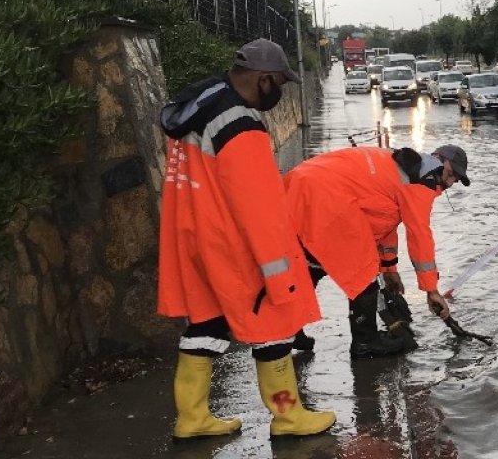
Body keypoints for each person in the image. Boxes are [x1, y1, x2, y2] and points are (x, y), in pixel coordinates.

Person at [157, 38, 335, 441]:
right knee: (274, 322)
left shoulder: (202, 107)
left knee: (207, 323)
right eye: (280, 84)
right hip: (231, 242)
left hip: (193, 235)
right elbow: (260, 207)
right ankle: (288, 416)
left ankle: (192, 417)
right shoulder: (240, 124)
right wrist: (281, 273)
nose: (280, 92)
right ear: (265, 79)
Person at [284, 144, 469, 358]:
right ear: (440, 160)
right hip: (325, 197)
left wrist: (389, 268)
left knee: (313, 264)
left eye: (457, 179)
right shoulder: (423, 179)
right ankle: (366, 341)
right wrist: (431, 290)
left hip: (302, 184)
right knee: (363, 271)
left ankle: (288, 329)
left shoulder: (403, 165)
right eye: (452, 173)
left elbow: (382, 220)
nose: (451, 181)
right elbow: (419, 235)